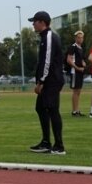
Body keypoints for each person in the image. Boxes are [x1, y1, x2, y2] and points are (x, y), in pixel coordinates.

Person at [27, 11, 66, 155]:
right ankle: (46, 142)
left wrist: (41, 81)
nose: (33, 24)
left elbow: (47, 61)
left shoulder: (49, 37)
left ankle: (59, 146)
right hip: (49, 80)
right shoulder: (44, 37)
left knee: (52, 110)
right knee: (40, 108)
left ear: (42, 22)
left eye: (34, 21)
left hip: (52, 80)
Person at [66, 30, 86, 116]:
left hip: (80, 71)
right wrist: (77, 68)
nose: (80, 39)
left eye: (81, 37)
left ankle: (77, 110)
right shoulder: (72, 47)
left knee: (79, 91)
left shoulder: (81, 48)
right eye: (78, 37)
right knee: (75, 91)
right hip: (74, 72)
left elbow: (80, 58)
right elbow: (69, 60)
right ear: (75, 38)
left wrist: (83, 62)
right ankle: (74, 111)